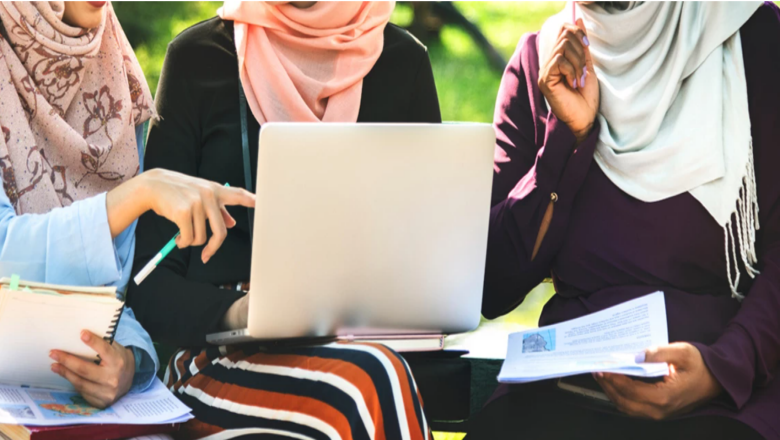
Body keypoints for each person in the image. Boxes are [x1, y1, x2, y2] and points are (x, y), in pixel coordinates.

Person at [466, 2, 780, 439]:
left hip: (725, 395)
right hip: (565, 392)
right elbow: (492, 285)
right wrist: (564, 138)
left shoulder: (752, 38)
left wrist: (723, 366)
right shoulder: (544, 60)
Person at [126, 1, 440, 438]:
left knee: (370, 377)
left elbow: (428, 245)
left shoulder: (402, 61)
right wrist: (243, 313)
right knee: (367, 384)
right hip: (221, 358)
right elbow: (148, 282)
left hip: (366, 339)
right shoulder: (198, 59)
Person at [0, 1, 254, 409]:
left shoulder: (110, 66)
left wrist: (128, 360)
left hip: (73, 408)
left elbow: (119, 288)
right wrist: (138, 195)